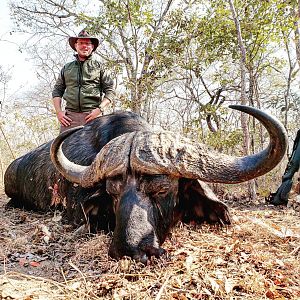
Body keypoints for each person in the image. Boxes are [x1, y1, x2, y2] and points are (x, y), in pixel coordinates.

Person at [52, 29, 115, 133]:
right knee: (62, 148)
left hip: (93, 116)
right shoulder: (67, 68)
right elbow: (57, 90)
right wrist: (59, 112)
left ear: (92, 47)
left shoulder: (100, 67)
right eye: (81, 43)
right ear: (76, 46)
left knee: (99, 148)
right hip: (69, 119)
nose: (84, 46)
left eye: (87, 43)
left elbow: (110, 91)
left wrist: (99, 109)